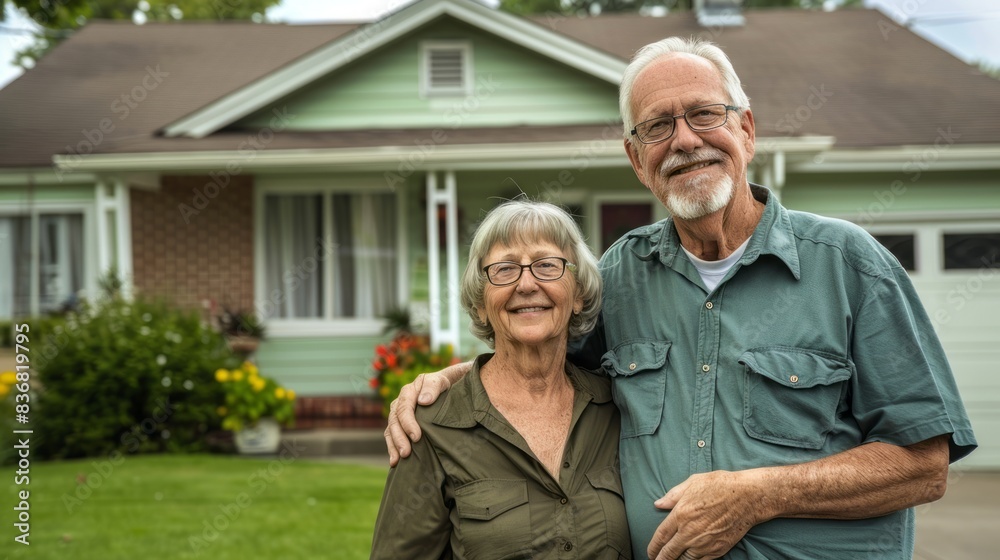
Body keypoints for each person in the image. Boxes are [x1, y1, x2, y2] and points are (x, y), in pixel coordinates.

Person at [385, 36, 979, 560]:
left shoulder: (849, 266)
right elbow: (546, 358)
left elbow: (923, 466)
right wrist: (450, 379)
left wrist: (756, 495)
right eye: (657, 127)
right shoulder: (621, 274)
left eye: (704, 115)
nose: (685, 141)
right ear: (637, 158)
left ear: (746, 129)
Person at [370, 200, 631, 559]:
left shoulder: (616, 408)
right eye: (504, 269)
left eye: (546, 265)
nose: (526, 284)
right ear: (480, 303)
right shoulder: (431, 427)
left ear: (579, 296)